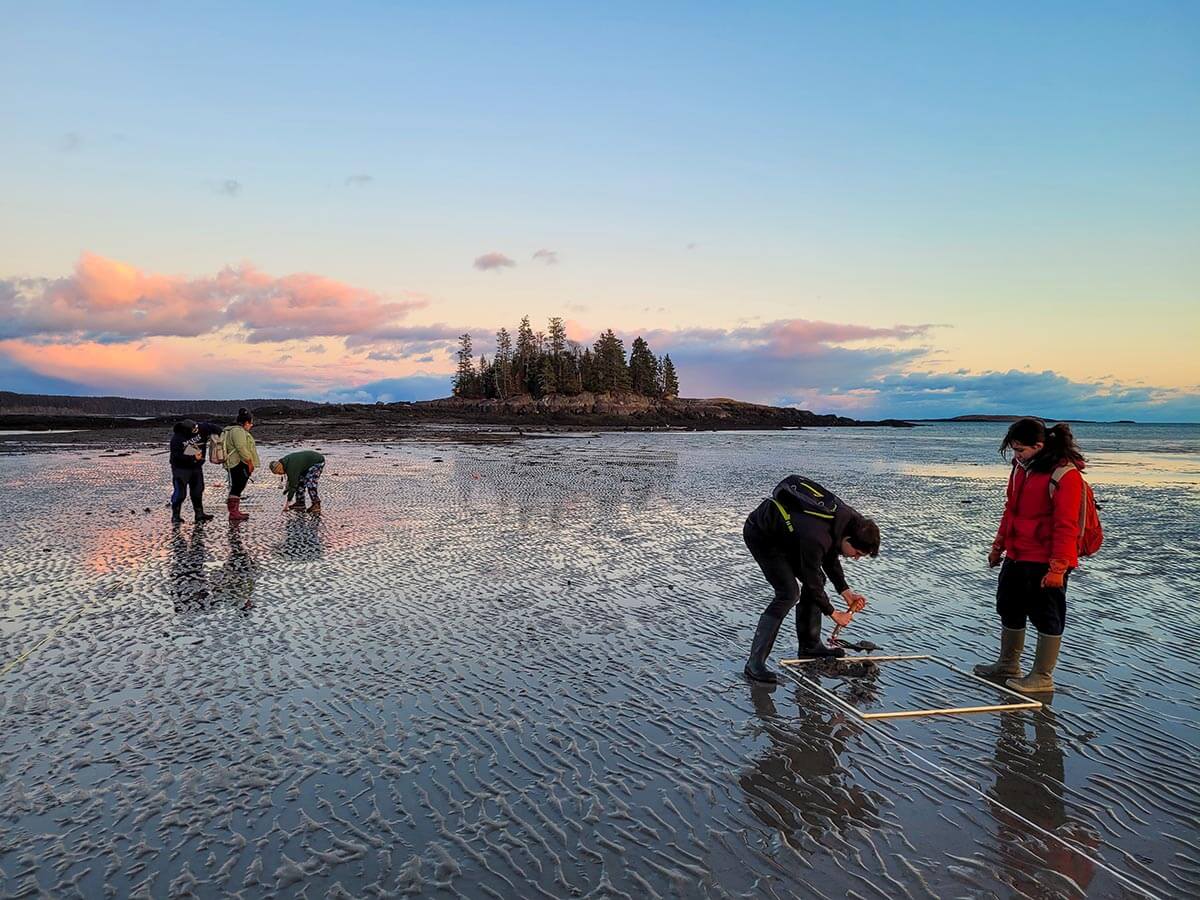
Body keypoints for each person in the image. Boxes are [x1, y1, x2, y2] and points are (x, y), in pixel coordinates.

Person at [975, 419, 1085, 693]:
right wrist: (997, 546)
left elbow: (1066, 526)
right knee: (1008, 606)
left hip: (1047, 560)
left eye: (1020, 450)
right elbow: (1010, 511)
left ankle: (1042, 676)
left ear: (1039, 446)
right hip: (1017, 553)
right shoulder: (1020, 469)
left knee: (1047, 615)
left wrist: (1058, 569)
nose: (1016, 456)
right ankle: (1008, 665)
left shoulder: (1065, 475)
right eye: (1013, 450)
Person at [743, 475, 880, 683]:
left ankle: (810, 646)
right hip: (763, 535)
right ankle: (755, 664)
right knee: (788, 593)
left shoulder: (851, 522)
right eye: (857, 553)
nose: (856, 558)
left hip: (792, 533)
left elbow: (831, 555)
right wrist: (835, 614)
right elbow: (811, 578)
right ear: (848, 540)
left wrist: (846, 591)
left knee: (818, 582)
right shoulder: (817, 536)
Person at [169, 418, 222, 523]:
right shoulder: (176, 439)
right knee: (180, 493)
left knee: (198, 490)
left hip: (197, 467)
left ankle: (199, 514)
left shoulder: (202, 427)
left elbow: (215, 428)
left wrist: (220, 437)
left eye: (196, 428)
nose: (197, 430)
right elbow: (176, 456)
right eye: (194, 430)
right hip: (180, 468)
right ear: (187, 431)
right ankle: (175, 516)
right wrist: (192, 457)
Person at [221, 408, 260, 522]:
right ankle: (233, 513)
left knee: (237, 487)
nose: (251, 426)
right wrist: (249, 462)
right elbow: (241, 447)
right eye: (250, 423)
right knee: (237, 487)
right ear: (246, 423)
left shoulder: (228, 430)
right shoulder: (238, 431)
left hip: (233, 463)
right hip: (238, 463)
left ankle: (235, 511)